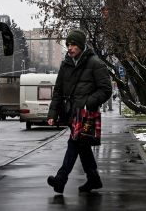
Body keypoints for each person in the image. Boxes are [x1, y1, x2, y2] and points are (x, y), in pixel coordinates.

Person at [46, 29, 112, 194]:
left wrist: (88, 103)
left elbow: (105, 89)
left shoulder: (95, 63)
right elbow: (58, 91)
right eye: (68, 44)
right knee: (82, 147)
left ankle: (60, 180)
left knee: (74, 144)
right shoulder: (66, 63)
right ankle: (94, 179)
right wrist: (52, 114)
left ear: (81, 45)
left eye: (73, 44)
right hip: (71, 114)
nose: (70, 47)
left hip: (86, 114)